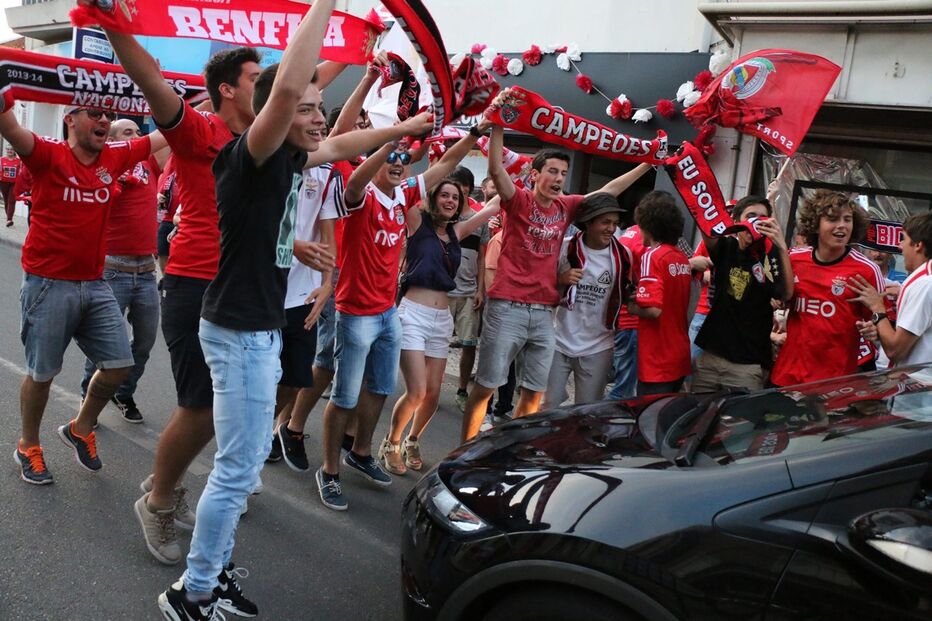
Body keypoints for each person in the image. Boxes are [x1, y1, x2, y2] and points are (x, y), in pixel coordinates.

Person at [153, 1, 341, 618]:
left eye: (318, 111)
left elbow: (344, 139)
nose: (317, 119)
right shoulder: (247, 157)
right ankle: (196, 590)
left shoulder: (282, 158)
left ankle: (213, 572)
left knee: (239, 465)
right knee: (237, 469)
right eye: (305, 111)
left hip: (250, 330)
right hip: (239, 333)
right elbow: (289, 85)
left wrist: (406, 128)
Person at [317, 126, 483, 511]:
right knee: (343, 396)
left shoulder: (404, 196)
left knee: (378, 389)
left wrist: (477, 130)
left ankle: (360, 452)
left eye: (403, 160)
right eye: (390, 158)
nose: (398, 163)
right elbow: (357, 179)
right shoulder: (359, 195)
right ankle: (329, 471)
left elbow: (446, 164)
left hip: (387, 313)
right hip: (354, 313)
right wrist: (390, 144)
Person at [1, 104, 165, 486]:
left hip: (95, 283)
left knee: (120, 364)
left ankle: (81, 427)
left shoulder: (115, 156)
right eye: (93, 113)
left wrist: (191, 96)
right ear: (70, 119)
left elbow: (172, 127)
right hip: (48, 283)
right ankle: (28, 445)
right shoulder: (46, 154)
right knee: (42, 373)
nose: (104, 120)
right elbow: (9, 125)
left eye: (107, 114)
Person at [461, 113, 651, 441]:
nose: (559, 177)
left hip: (545, 314)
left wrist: (648, 163)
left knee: (534, 393)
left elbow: (608, 191)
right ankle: (463, 448)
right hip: (507, 306)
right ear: (534, 175)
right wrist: (498, 125)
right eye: (552, 171)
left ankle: (514, 450)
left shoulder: (566, 206)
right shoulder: (518, 199)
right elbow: (495, 170)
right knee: (487, 386)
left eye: (563, 172)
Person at [380, 181, 500, 475]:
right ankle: (391, 443)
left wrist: (520, 173)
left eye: (455, 197)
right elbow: (401, 189)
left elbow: (495, 205)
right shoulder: (417, 225)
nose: (449, 200)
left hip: (442, 318)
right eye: (444, 195)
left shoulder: (457, 234)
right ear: (432, 198)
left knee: (433, 393)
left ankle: (412, 440)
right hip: (412, 315)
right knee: (417, 390)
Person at [79, 119, 163, 423]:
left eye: (138, 132)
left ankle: (122, 391)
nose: (137, 137)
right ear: (112, 141)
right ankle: (88, 396)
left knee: (144, 341)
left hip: (145, 271)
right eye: (128, 133)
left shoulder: (149, 162)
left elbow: (172, 131)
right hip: (113, 269)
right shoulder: (106, 166)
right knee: (103, 343)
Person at [770, 190, 883, 387]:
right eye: (832, 219)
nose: (842, 225)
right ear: (815, 224)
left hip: (831, 385)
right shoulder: (794, 258)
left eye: (847, 219)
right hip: (785, 377)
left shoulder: (866, 270)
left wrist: (875, 330)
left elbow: (881, 324)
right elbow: (777, 298)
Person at [691, 196, 793, 392]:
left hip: (747, 367)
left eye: (763, 217)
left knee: (740, 422)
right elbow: (706, 224)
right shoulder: (726, 248)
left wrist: (781, 245)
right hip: (710, 359)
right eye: (751, 216)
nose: (757, 222)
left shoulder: (771, 258)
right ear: (737, 222)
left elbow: (786, 293)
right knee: (700, 418)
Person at [543, 193, 633, 409]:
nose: (611, 228)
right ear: (588, 223)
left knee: (587, 411)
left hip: (598, 344)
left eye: (614, 223)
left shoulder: (623, 255)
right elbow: (541, 288)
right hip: (558, 339)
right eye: (605, 222)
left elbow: (628, 293)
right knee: (547, 405)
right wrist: (561, 279)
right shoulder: (564, 248)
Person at [625, 191, 693, 395]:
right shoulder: (681, 258)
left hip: (657, 358)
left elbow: (653, 310)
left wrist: (630, 306)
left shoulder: (652, 256)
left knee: (648, 421)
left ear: (648, 227)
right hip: (678, 354)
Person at [849, 212, 932, 366]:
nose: (899, 246)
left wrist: (878, 308)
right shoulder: (924, 280)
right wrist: (879, 331)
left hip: (919, 383)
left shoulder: (925, 284)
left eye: (903, 240)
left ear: (918, 245)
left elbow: (895, 351)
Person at [447, 166, 490, 412]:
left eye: (462, 188)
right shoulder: (441, 215)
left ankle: (462, 389)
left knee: (468, 344)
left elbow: (483, 257)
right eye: (453, 188)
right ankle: (430, 388)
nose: (457, 194)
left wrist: (480, 289)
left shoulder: (479, 218)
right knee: (437, 344)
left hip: (469, 291)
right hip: (443, 292)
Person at [606, 223, 644, 400]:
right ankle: (600, 423)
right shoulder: (642, 241)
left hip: (623, 320)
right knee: (624, 390)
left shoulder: (630, 232)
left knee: (623, 383)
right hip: (631, 323)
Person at [1, 145, 21, 225]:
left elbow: (21, 173)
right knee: (6, 201)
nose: (10, 151)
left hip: (14, 183)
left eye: (11, 149)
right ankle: (8, 217)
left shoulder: (19, 161)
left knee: (11, 201)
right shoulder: (1, 160)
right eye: (8, 149)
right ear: (6, 150)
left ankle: (9, 219)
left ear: (14, 151)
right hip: (3, 183)